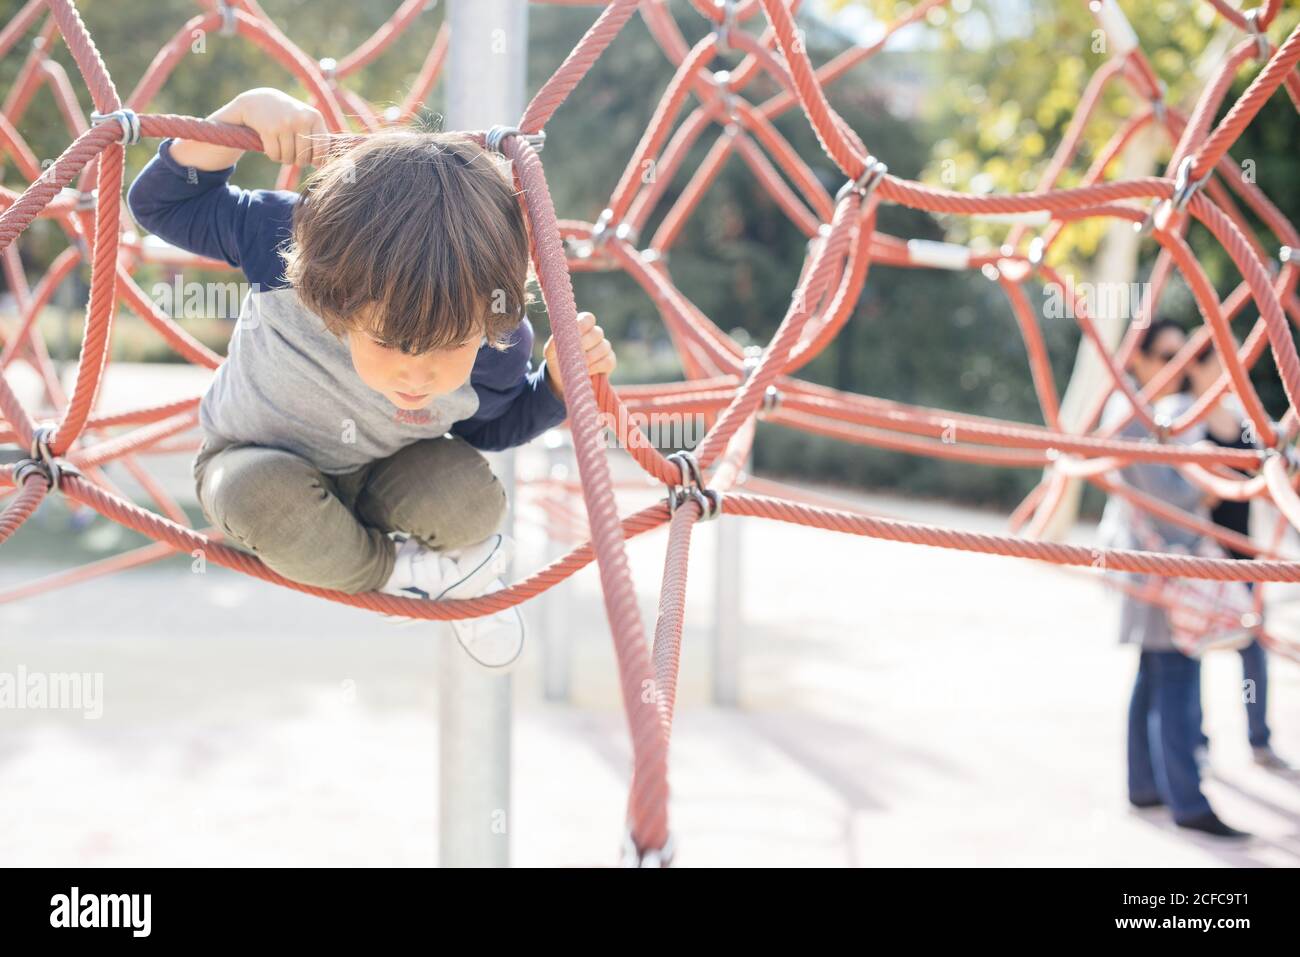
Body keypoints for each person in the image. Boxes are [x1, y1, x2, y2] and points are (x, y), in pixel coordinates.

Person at [126, 88, 617, 670]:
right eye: (389, 341)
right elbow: (162, 206)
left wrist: (558, 386)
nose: (418, 374)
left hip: (382, 472)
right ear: (336, 298)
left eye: (449, 346)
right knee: (261, 499)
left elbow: (491, 427)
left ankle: (435, 566)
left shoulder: (495, 341)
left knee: (471, 505)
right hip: (254, 458)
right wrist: (238, 115)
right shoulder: (288, 242)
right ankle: (421, 577)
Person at [1097, 317, 1248, 838]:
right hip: (1161, 566)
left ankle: (1145, 785)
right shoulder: (1132, 413)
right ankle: (1188, 803)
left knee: (1154, 673)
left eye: (1184, 358)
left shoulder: (1147, 410)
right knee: (1177, 677)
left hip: (1154, 565)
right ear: (1136, 358)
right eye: (1167, 357)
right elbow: (1164, 497)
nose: (1178, 369)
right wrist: (1209, 486)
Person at [1185, 348, 1292, 771]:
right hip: (1200, 560)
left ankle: (1258, 738)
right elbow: (1188, 487)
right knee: (1193, 650)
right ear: (1193, 368)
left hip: (1244, 557)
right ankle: (1195, 738)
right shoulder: (1182, 420)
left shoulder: (1243, 421)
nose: (1227, 375)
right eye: (1218, 365)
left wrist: (1280, 468)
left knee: (1252, 650)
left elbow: (1273, 464)